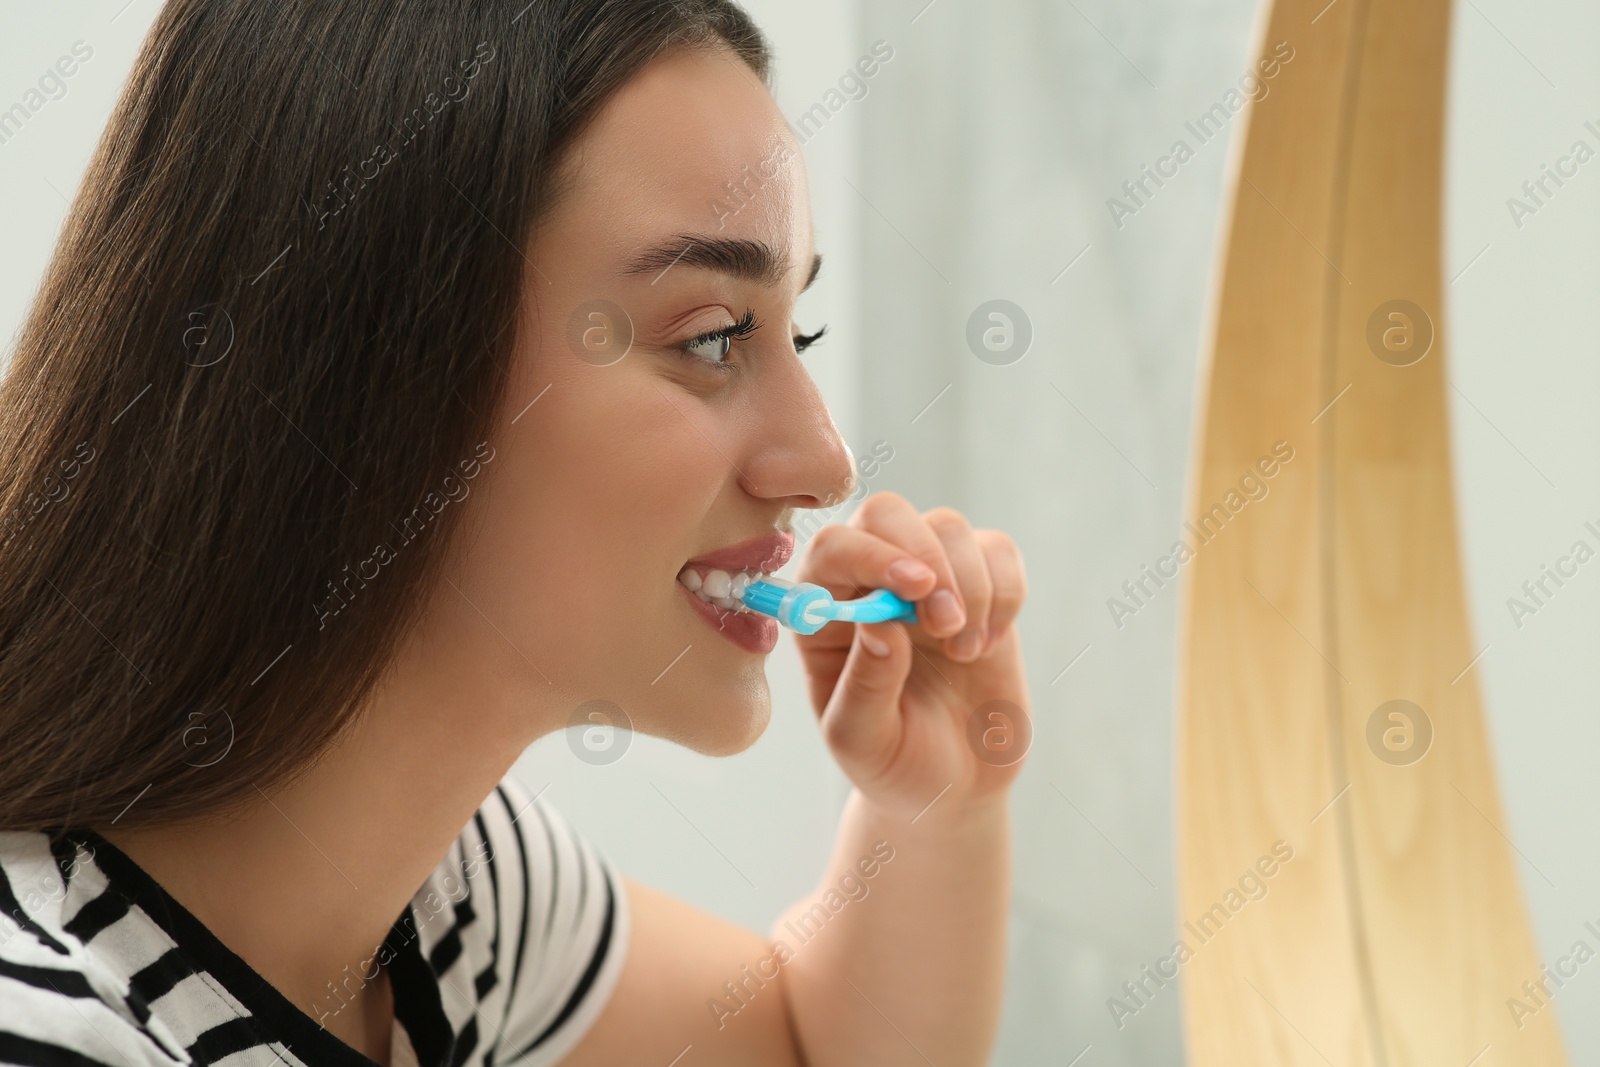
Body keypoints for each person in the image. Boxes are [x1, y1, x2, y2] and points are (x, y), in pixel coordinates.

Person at [0, 2, 1031, 1064]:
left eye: (795, 331)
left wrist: (933, 807)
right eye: (716, 335)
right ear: (378, 362)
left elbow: (805, 1046)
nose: (824, 462)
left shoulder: (455, 900)